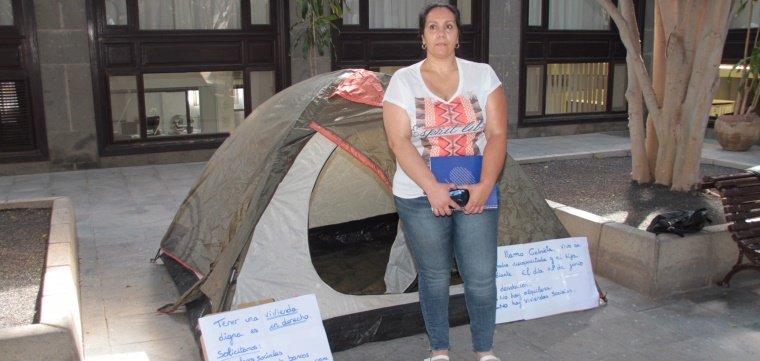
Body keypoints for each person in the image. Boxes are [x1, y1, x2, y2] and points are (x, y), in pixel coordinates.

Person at [382, 2, 507, 361]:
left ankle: (485, 352)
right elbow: (398, 141)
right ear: (423, 37)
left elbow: (497, 134)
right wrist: (432, 188)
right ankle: (439, 351)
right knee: (434, 276)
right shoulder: (403, 81)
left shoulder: (483, 75)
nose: (441, 33)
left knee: (481, 276)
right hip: (419, 194)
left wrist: (485, 185)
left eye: (448, 27)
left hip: (476, 189)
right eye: (433, 27)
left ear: (458, 36)